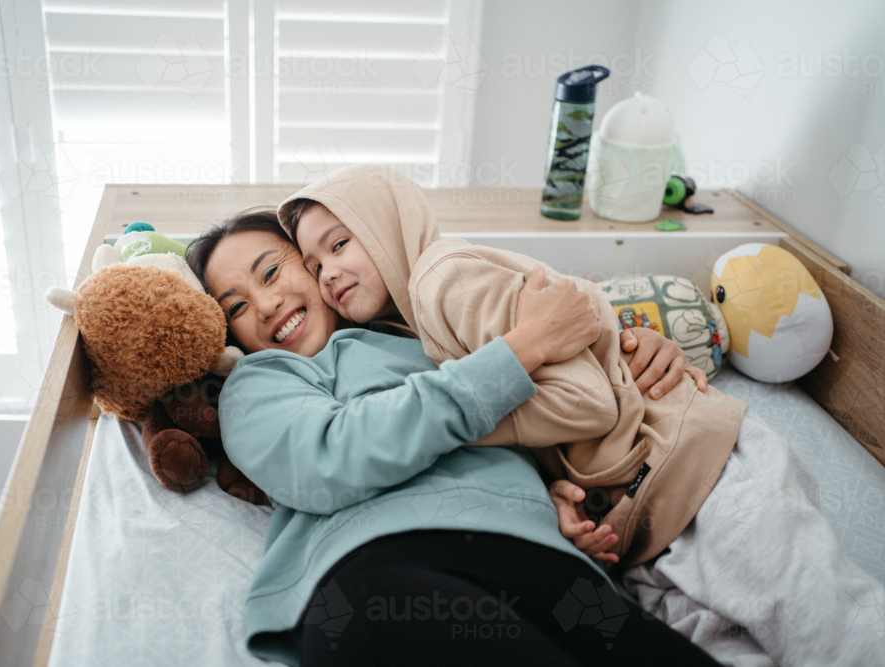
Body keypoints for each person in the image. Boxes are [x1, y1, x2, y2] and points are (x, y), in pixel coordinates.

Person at [276, 164, 885, 666]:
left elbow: (584, 400)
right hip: (642, 522)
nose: (327, 274)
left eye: (339, 245)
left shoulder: (445, 281)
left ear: (387, 226)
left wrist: (463, 437)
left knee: (830, 627)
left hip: (698, 467)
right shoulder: (409, 326)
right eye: (315, 264)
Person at [186, 211, 720, 667]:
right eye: (235, 307)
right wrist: (520, 349)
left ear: (313, 264)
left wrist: (630, 356)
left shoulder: (435, 325)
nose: (264, 304)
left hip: (547, 561)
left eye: (272, 272)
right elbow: (330, 456)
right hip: (378, 571)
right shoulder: (262, 383)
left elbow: (556, 405)